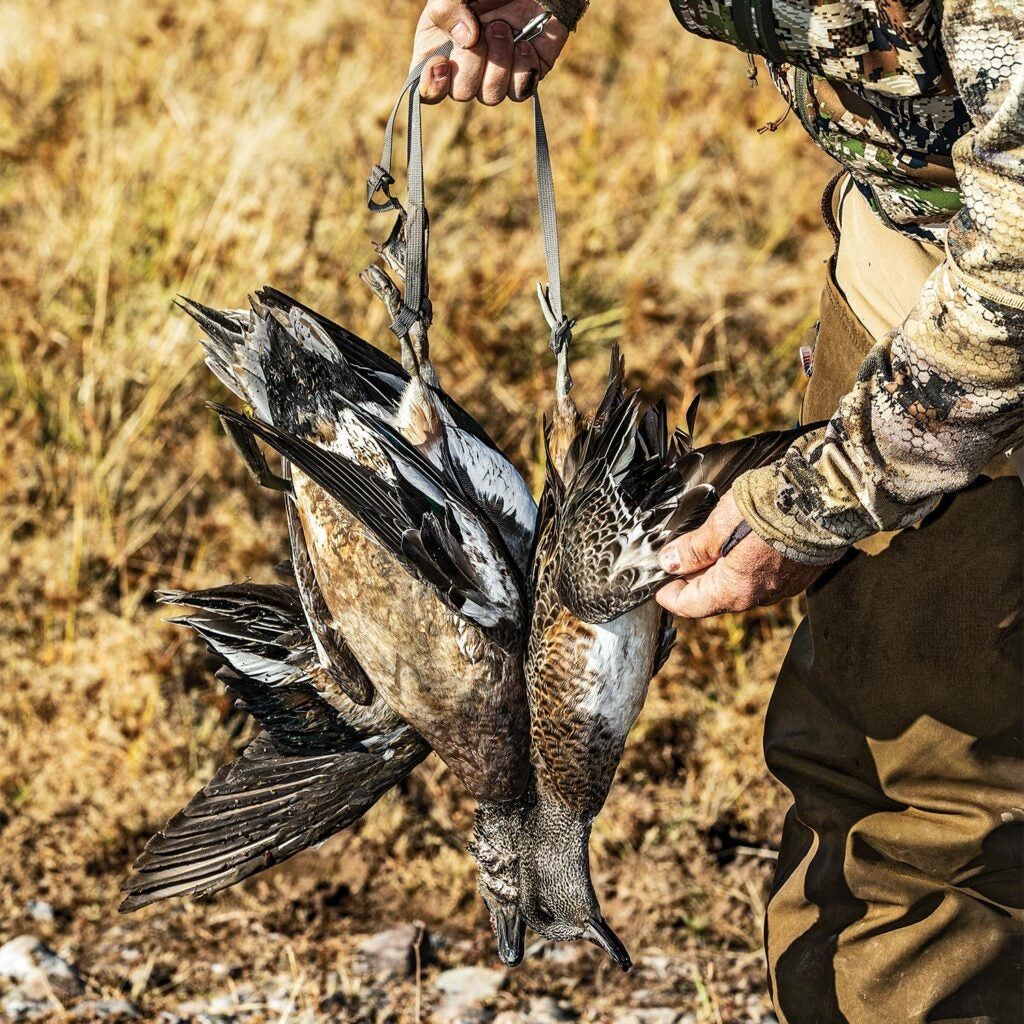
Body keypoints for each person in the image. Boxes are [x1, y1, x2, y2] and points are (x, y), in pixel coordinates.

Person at [408, 2, 1024, 1021]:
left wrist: (821, 495)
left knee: (932, 825)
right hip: (908, 265)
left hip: (984, 326)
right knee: (869, 768)